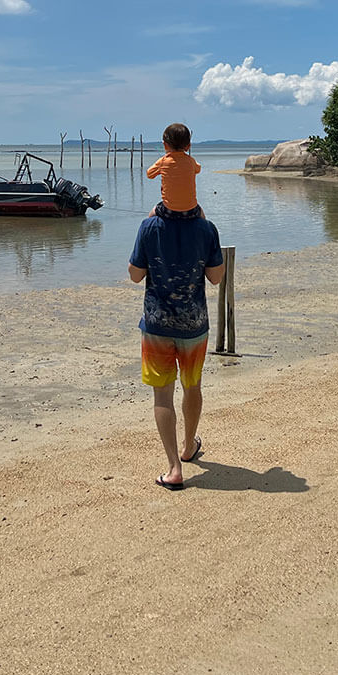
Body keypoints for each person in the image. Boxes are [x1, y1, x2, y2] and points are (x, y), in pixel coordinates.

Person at [128, 201, 225, 491]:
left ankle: (174, 468)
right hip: (194, 325)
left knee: (163, 395)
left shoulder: (149, 227)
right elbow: (216, 277)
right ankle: (187, 446)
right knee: (192, 385)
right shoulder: (206, 229)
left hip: (157, 325)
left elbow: (135, 275)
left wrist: (151, 228)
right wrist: (203, 224)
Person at [146, 122, 202, 218]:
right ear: (188, 146)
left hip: (168, 209)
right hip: (190, 209)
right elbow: (198, 169)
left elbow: (149, 174)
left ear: (165, 145)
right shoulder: (191, 161)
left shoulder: (163, 161)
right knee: (203, 216)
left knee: (150, 216)